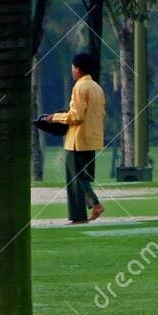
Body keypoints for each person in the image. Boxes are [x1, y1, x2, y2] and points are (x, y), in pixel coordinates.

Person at [50, 51, 106, 223]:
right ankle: (82, 214)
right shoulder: (97, 88)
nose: (72, 71)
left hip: (77, 140)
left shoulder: (79, 87)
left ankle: (90, 208)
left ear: (79, 70)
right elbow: (101, 113)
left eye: (73, 68)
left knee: (75, 177)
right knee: (83, 176)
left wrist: (54, 118)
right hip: (93, 139)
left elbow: (76, 116)